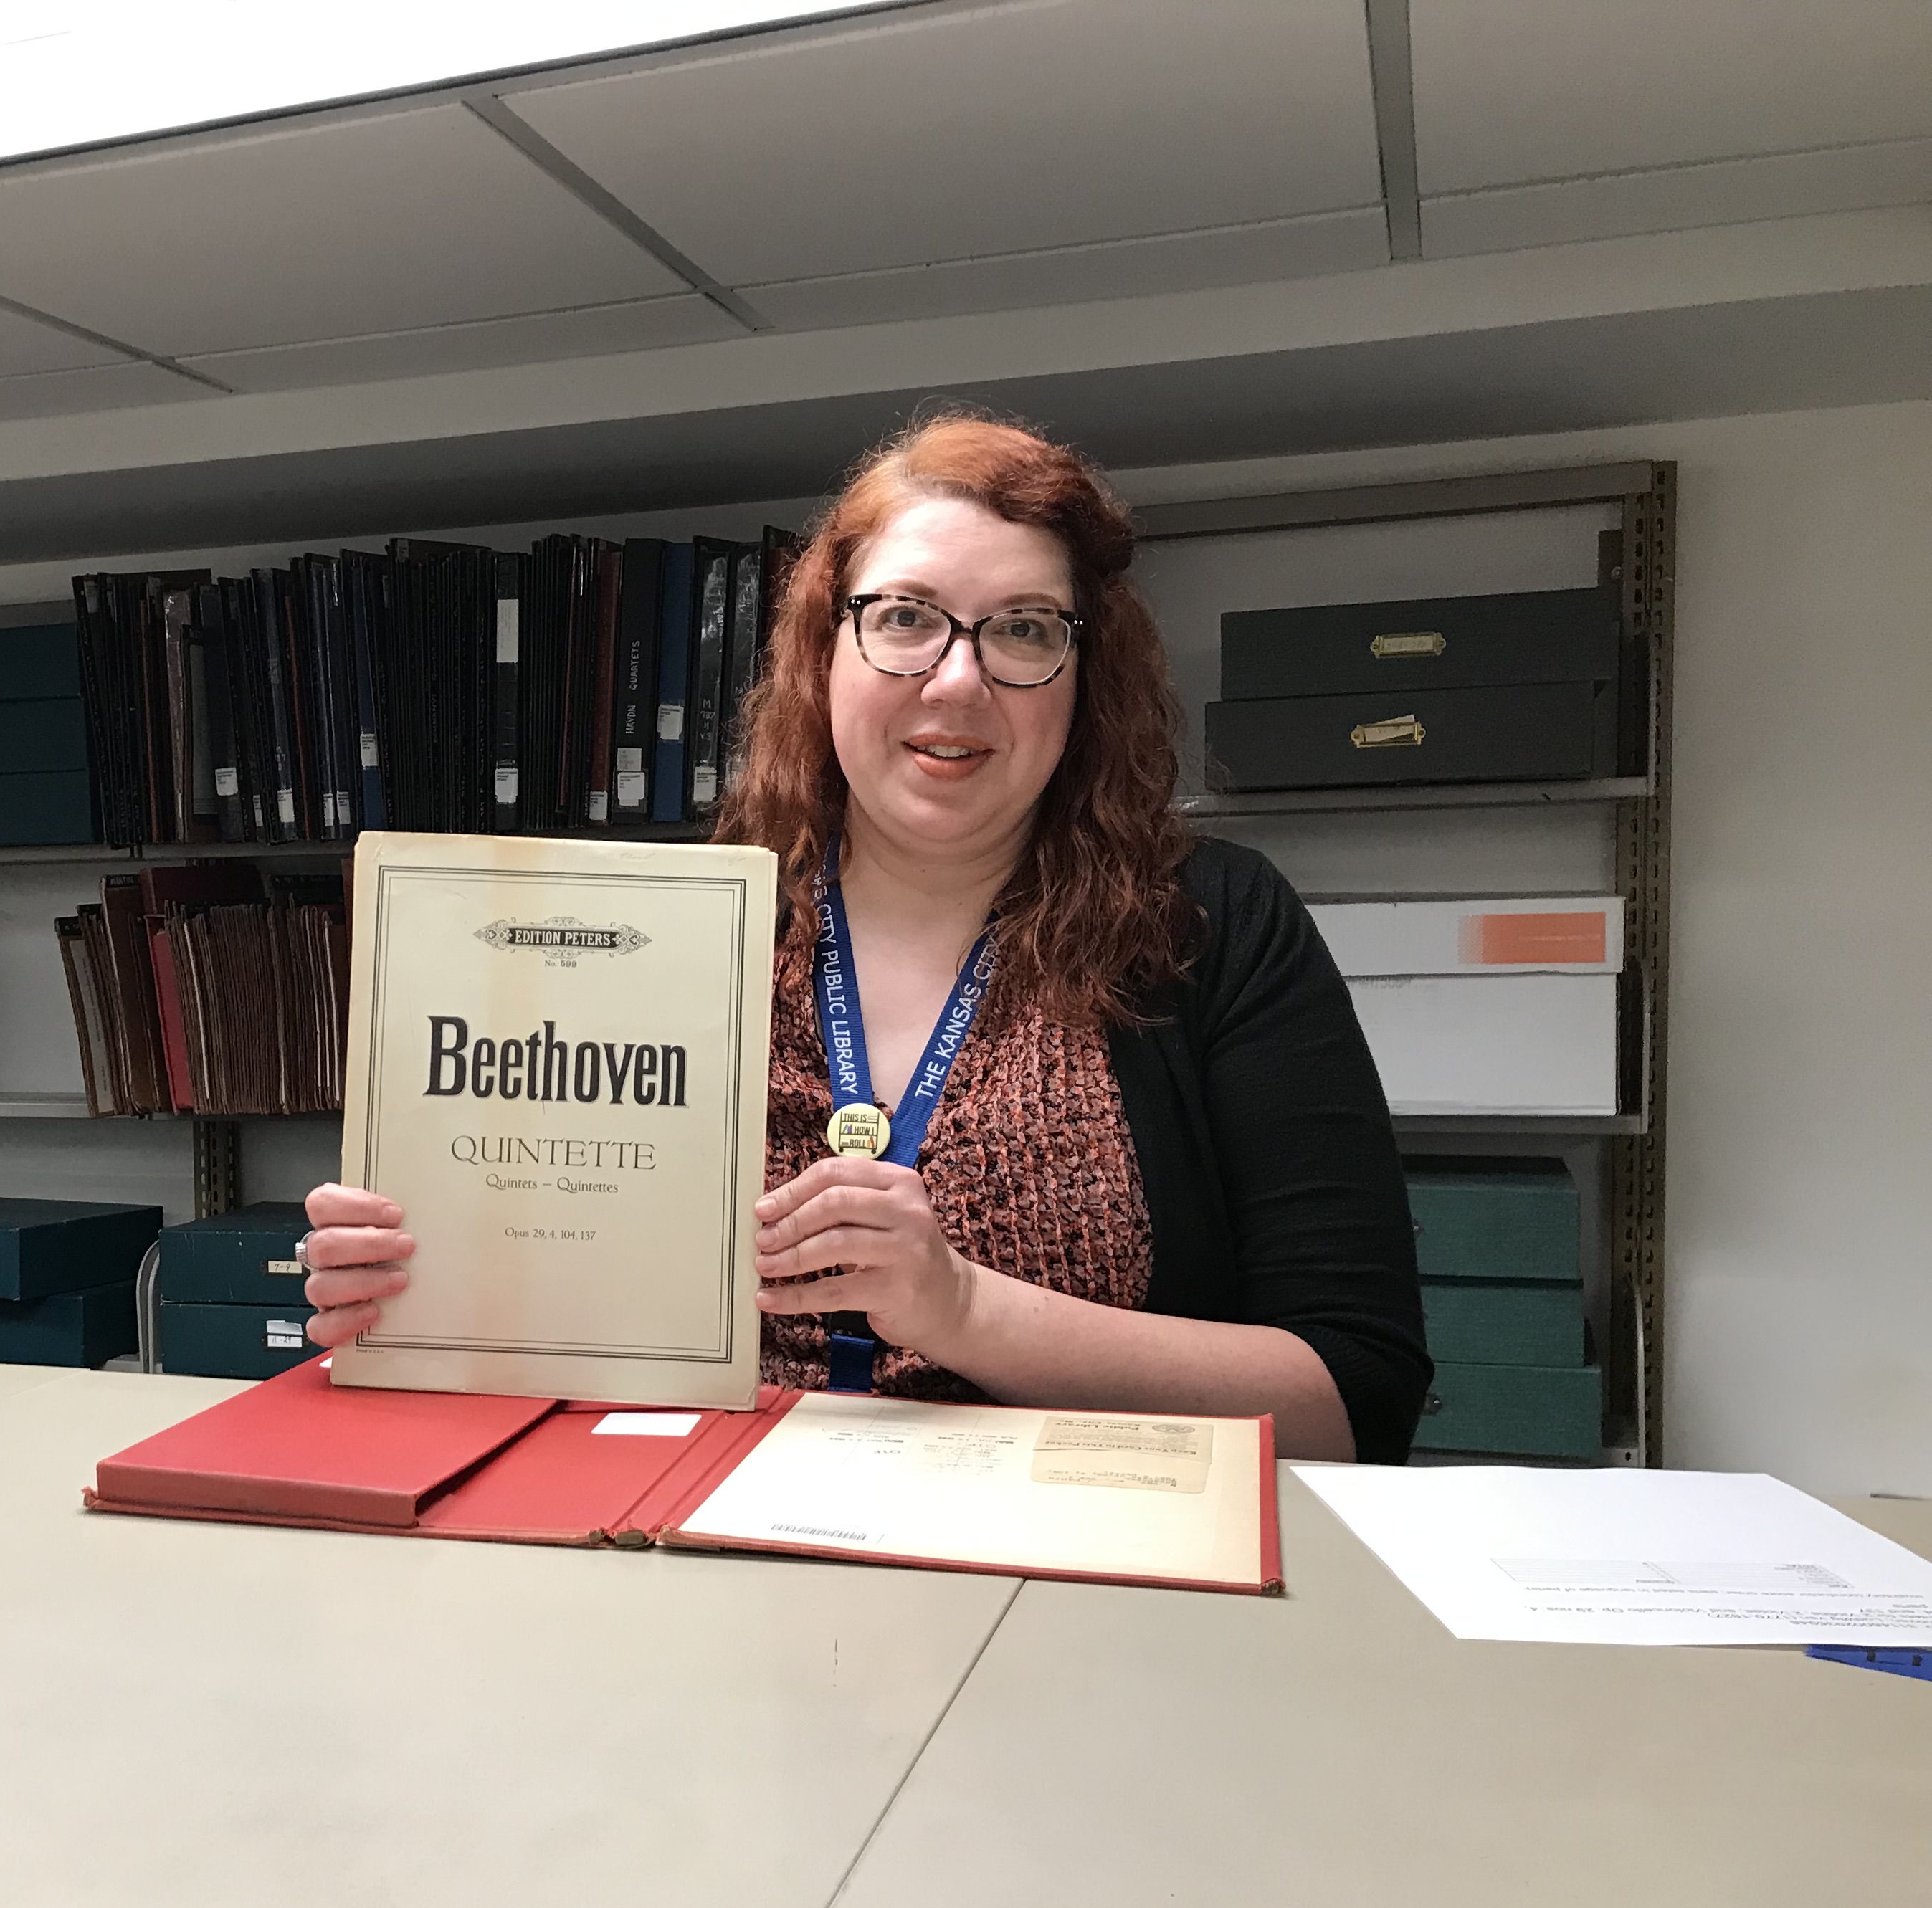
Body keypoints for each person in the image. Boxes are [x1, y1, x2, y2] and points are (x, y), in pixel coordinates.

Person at [302, 415, 1428, 1463]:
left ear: (1087, 677)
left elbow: (1352, 1399)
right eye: (904, 618)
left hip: (1074, 1590)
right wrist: (423, 1296)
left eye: (1025, 630)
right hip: (697, 1562)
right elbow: (557, 1346)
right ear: (821, 650)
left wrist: (963, 1309)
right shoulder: (670, 938)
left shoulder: (1210, 925)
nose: (956, 679)